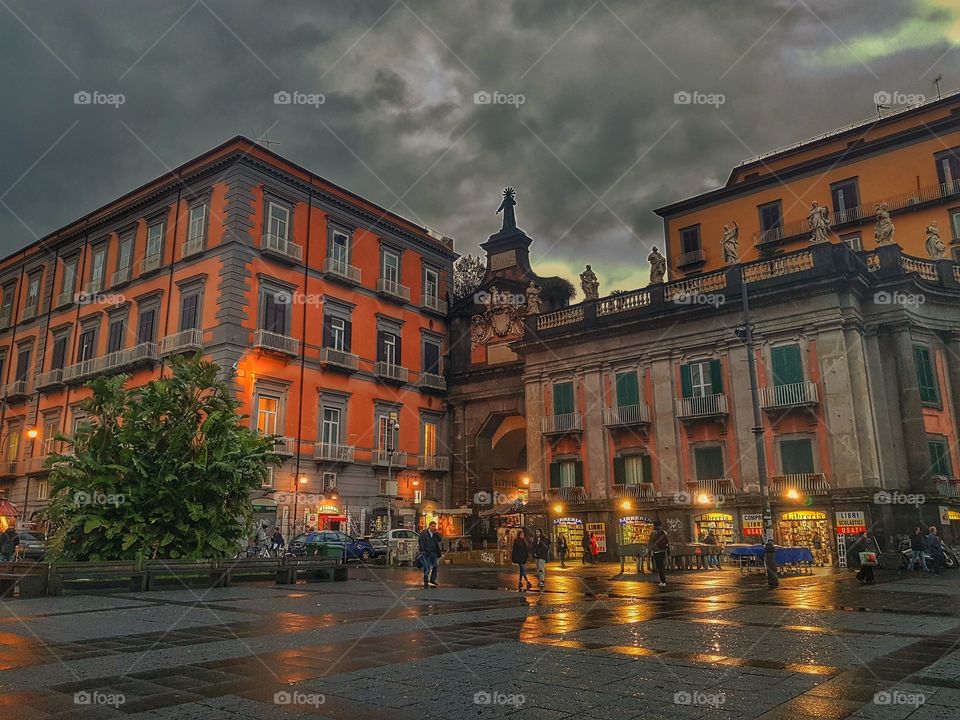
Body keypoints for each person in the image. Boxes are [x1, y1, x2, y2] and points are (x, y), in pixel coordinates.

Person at [418, 521, 443, 588]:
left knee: (435, 566)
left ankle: (433, 579)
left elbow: (440, 540)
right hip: (427, 553)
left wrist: (436, 533)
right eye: (432, 526)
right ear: (429, 526)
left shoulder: (435, 534)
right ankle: (426, 580)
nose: (433, 528)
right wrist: (422, 550)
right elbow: (421, 542)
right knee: (427, 567)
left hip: (434, 553)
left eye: (434, 526)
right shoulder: (424, 533)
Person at [647, 521, 669, 587]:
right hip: (663, 550)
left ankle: (663, 581)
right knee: (661, 565)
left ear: (654, 525)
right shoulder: (664, 532)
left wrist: (649, 551)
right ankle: (662, 580)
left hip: (657, 551)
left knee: (659, 566)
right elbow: (667, 541)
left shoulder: (653, 533)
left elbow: (650, 543)